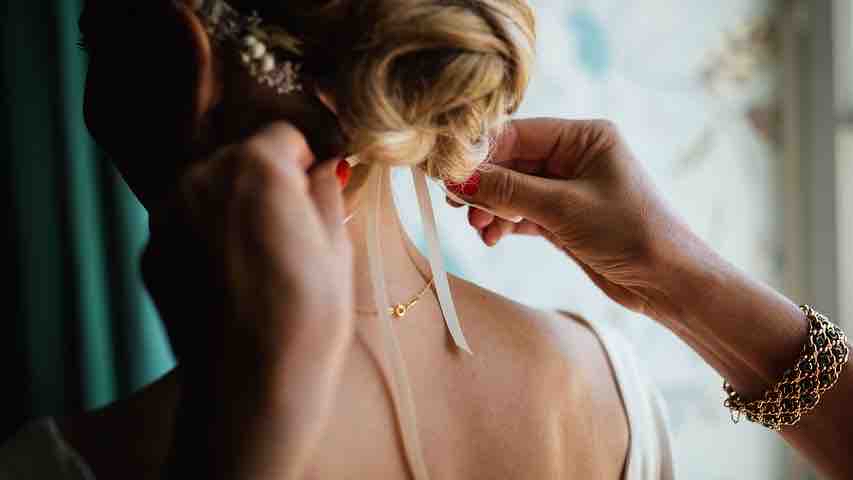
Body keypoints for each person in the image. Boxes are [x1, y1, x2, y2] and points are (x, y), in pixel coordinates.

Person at [0, 2, 848, 480]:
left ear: (175, 58)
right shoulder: (603, 384)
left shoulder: (62, 466)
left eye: (93, 41)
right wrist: (678, 278)